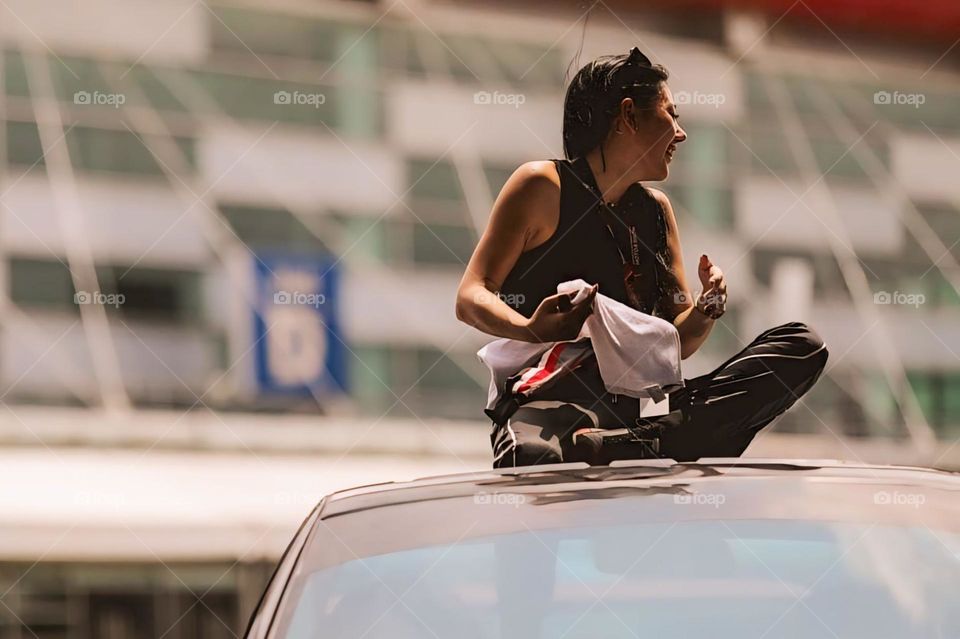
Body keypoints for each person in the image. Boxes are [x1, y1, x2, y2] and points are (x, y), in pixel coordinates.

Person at [454, 47, 828, 468]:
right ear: (629, 116)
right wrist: (529, 328)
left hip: (642, 408)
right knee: (535, 458)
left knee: (802, 347)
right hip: (556, 397)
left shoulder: (656, 212)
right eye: (672, 113)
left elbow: (678, 341)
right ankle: (657, 442)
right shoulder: (543, 185)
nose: (681, 133)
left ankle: (642, 442)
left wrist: (706, 308)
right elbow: (471, 297)